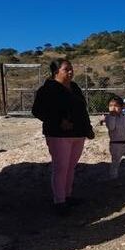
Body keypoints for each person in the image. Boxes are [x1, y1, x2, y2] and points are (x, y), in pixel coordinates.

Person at [32, 59, 95, 214]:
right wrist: (59, 121)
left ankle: (67, 196)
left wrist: (88, 128)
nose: (71, 72)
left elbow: (82, 109)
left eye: (71, 68)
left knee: (71, 167)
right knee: (61, 167)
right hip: (58, 135)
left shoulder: (74, 87)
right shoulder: (47, 89)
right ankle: (59, 201)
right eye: (66, 69)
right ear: (56, 72)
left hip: (78, 133)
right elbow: (37, 111)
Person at [100, 96, 125, 180]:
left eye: (116, 106)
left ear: (122, 107)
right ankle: (113, 179)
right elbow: (111, 127)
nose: (113, 108)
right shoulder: (109, 118)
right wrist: (112, 116)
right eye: (110, 106)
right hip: (116, 145)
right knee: (115, 163)